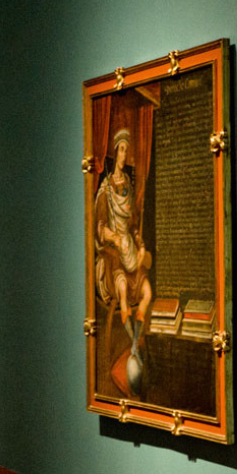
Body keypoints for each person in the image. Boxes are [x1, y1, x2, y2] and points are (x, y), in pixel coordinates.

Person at [95, 129, 153, 329]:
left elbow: (133, 224)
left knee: (147, 293)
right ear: (115, 152)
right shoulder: (106, 189)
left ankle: (138, 330)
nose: (124, 155)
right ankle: (125, 311)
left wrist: (141, 245)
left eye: (126, 150)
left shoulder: (128, 183)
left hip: (130, 250)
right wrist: (114, 238)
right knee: (122, 288)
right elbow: (100, 227)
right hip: (115, 251)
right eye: (121, 150)